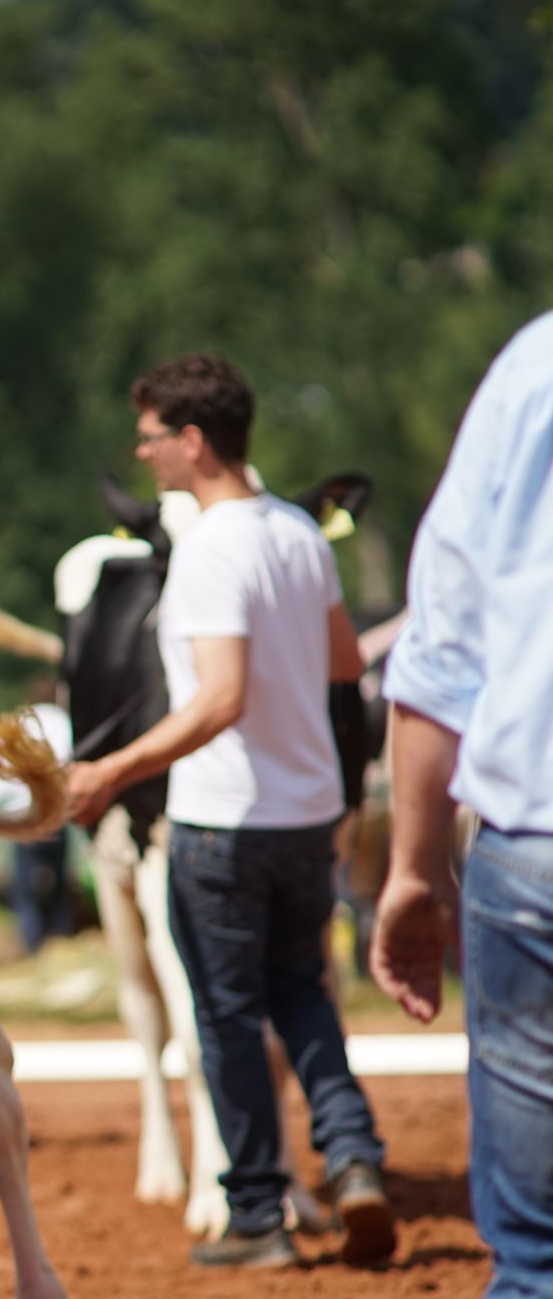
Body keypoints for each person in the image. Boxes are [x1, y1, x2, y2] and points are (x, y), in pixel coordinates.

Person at [66, 353, 394, 1269]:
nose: (142, 454)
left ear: (194, 441)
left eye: (152, 437)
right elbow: (339, 663)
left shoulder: (209, 550)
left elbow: (219, 700)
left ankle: (256, 1213)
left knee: (225, 1015)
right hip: (305, 816)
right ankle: (355, 1154)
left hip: (223, 821)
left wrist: (107, 769)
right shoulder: (297, 530)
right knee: (305, 997)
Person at [372, 313, 553, 1297]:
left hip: (532, 847)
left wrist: (411, 866)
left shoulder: (531, 368)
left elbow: (438, 656)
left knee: (534, 1254)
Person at [0, 676, 75, 955]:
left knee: (24, 882)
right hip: (56, 813)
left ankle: (31, 940)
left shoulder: (16, 724)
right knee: (60, 877)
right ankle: (61, 934)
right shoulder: (64, 721)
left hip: (20, 814)